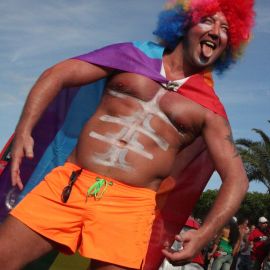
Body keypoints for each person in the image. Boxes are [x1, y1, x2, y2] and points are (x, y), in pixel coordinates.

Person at [0, 0, 255, 269]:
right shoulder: (132, 55)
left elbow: (237, 179)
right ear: (185, 23)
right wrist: (25, 130)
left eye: (226, 28)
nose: (216, 32)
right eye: (208, 21)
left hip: (130, 207)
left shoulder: (209, 108)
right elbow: (58, 74)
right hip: (70, 184)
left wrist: (205, 233)